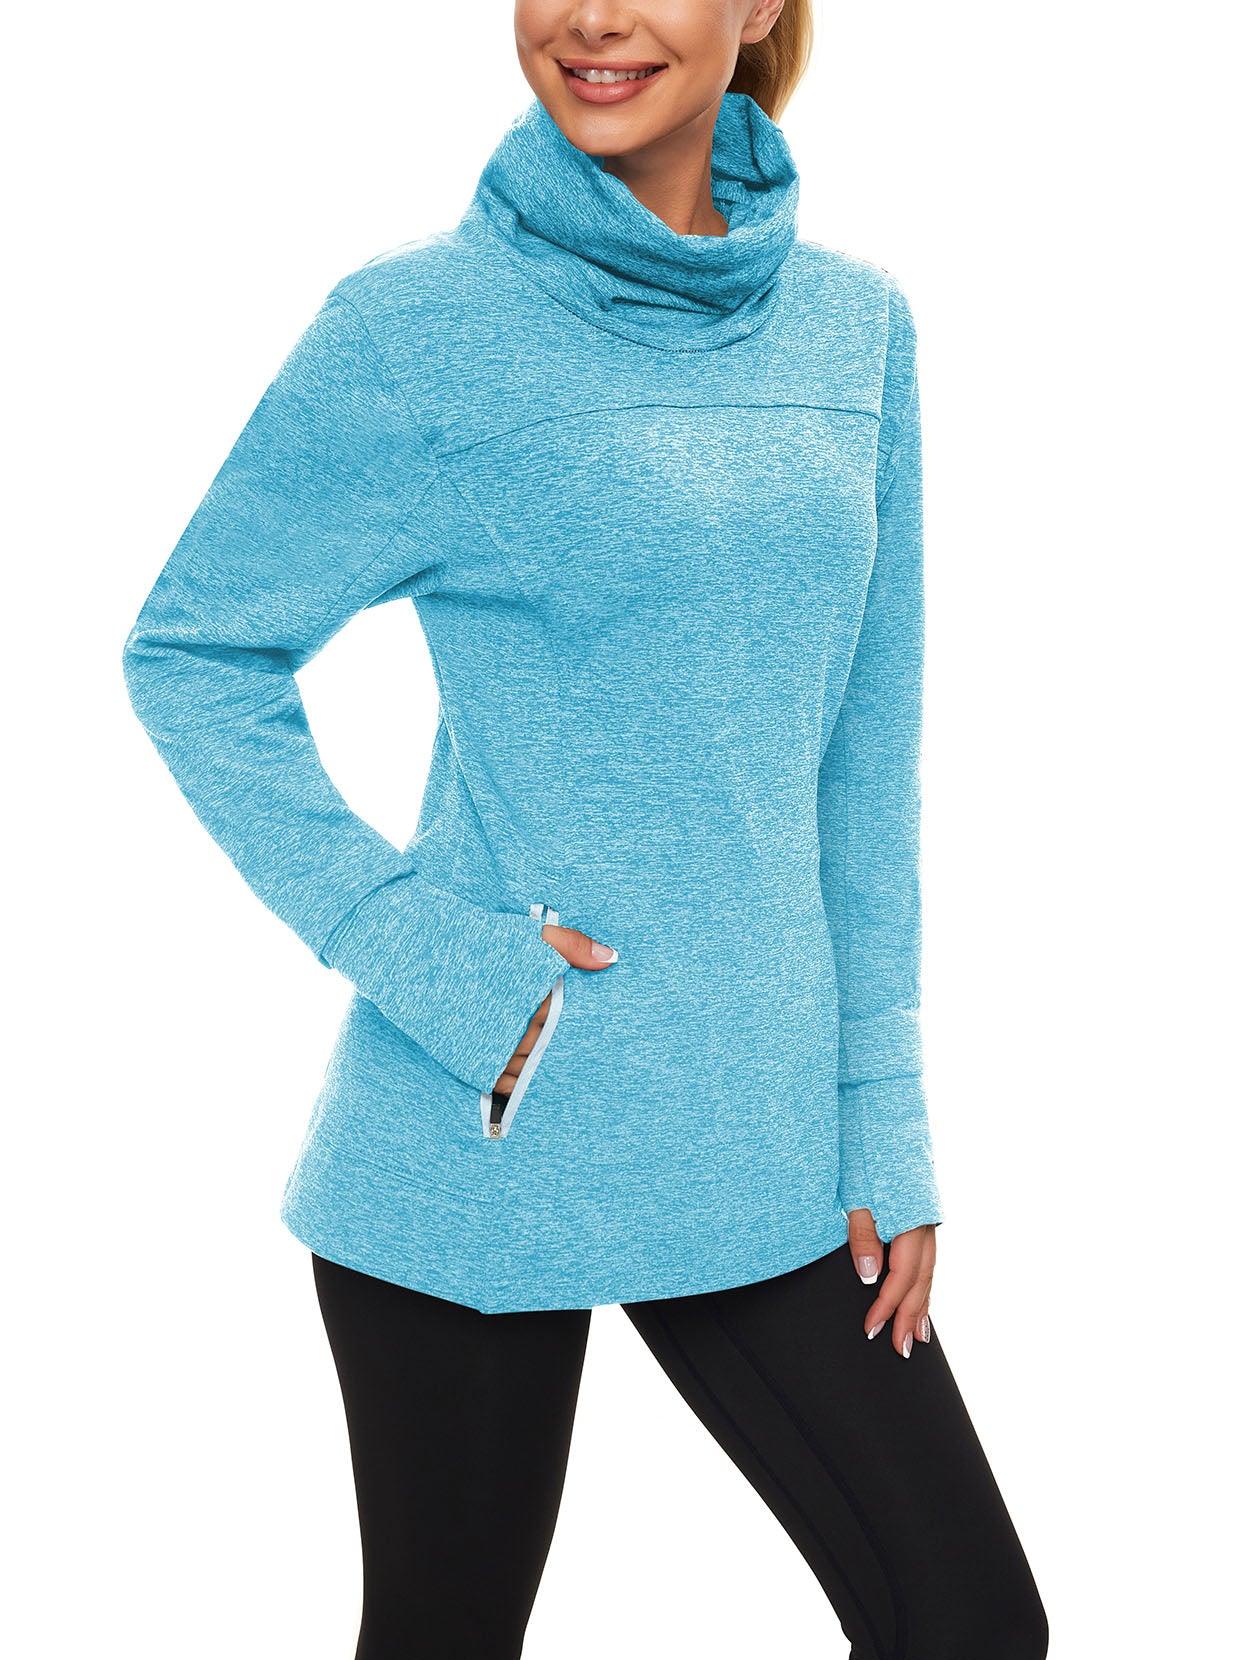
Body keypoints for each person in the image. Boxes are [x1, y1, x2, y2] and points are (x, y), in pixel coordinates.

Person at [121, 2, 1049, 1654]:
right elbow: (194, 652)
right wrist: (418, 944)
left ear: (754, 9)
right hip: (483, 1119)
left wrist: (882, 1112)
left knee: (968, 1622)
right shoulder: (413, 331)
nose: (592, 17)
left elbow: (861, 751)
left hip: (764, 1124)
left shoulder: (856, 330)